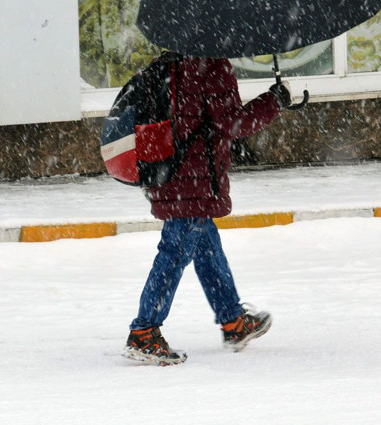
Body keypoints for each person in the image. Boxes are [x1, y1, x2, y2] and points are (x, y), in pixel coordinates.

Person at [124, 54, 293, 366]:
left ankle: (234, 323)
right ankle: (144, 332)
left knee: (207, 251)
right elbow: (233, 123)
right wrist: (274, 101)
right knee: (174, 254)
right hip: (194, 179)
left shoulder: (169, 63)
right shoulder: (211, 65)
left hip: (167, 171)